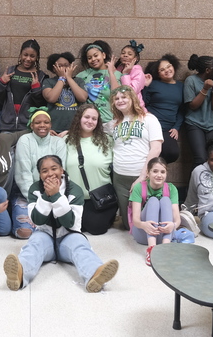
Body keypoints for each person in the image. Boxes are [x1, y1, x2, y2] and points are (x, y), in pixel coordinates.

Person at [3, 155, 119, 292]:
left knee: (81, 246)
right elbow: (37, 220)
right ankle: (19, 274)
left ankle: (94, 274)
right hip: (45, 236)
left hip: (69, 236)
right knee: (34, 244)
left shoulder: (75, 190)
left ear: (62, 170)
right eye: (44, 171)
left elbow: (69, 222)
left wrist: (56, 196)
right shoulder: (35, 189)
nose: (50, 174)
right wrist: (46, 196)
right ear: (40, 174)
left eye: (54, 169)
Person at [109, 86, 163, 226]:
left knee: (149, 221)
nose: (120, 100)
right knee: (129, 225)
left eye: (124, 97)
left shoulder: (149, 119)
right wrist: (68, 131)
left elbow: (156, 149)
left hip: (142, 175)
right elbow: (91, 128)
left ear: (133, 98)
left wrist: (143, 176)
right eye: (116, 98)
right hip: (120, 178)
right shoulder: (113, 123)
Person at [12, 109, 66, 239]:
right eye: (37, 123)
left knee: (61, 229)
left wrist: (51, 197)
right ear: (31, 125)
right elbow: (23, 174)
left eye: (46, 122)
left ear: (50, 125)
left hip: (53, 193)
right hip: (28, 195)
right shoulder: (25, 140)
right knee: (24, 232)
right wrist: (37, 200)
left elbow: (59, 173)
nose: (42, 125)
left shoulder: (58, 142)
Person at [64, 104, 116, 234]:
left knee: (96, 228)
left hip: (102, 197)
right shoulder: (66, 140)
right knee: (71, 226)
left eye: (94, 119)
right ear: (79, 118)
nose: (90, 121)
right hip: (75, 198)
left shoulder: (107, 140)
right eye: (86, 117)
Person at [128, 157, 180, 266]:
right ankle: (151, 249)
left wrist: (174, 225)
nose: (159, 175)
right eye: (155, 171)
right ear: (148, 173)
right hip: (143, 232)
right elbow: (135, 220)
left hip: (163, 233)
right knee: (153, 200)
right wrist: (144, 225)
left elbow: (177, 219)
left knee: (165, 200)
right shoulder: (139, 187)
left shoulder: (171, 189)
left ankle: (165, 248)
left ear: (166, 173)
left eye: (162, 172)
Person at [182, 54, 213, 167]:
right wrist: (205, 89)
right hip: (194, 123)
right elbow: (193, 105)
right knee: (200, 158)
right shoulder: (191, 80)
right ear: (208, 70)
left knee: (211, 158)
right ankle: (194, 179)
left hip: (211, 125)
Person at [142, 54, 184, 164]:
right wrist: (146, 86)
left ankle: (157, 171)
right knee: (150, 153)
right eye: (162, 69)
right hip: (151, 126)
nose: (167, 70)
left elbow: (182, 110)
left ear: (173, 66)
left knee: (172, 153)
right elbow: (143, 102)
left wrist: (176, 127)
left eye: (168, 66)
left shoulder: (181, 86)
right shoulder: (153, 84)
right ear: (158, 74)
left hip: (168, 129)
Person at [0, 39, 47, 131]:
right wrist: (2, 82)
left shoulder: (41, 76)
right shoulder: (10, 71)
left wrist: (36, 89)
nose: (28, 59)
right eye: (25, 55)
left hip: (28, 125)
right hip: (7, 124)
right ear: (20, 55)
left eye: (32, 56)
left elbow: (41, 104)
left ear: (37, 57)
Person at [72, 40, 120, 127]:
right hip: (88, 122)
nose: (93, 59)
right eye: (89, 58)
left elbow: (117, 95)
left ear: (103, 55)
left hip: (110, 121)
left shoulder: (116, 74)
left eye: (96, 55)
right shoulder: (82, 75)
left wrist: (111, 73)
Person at [41, 51, 81, 133]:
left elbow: (82, 98)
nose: (63, 68)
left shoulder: (78, 81)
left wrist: (69, 78)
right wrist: (62, 78)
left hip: (75, 129)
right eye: (60, 66)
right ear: (53, 68)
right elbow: (51, 98)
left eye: (66, 65)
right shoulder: (48, 81)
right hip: (54, 129)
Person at [114, 40, 147, 109]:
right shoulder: (117, 70)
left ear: (135, 59)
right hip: (120, 107)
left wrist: (125, 74)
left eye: (130, 54)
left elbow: (131, 92)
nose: (125, 55)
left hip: (135, 109)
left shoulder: (138, 72)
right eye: (123, 53)